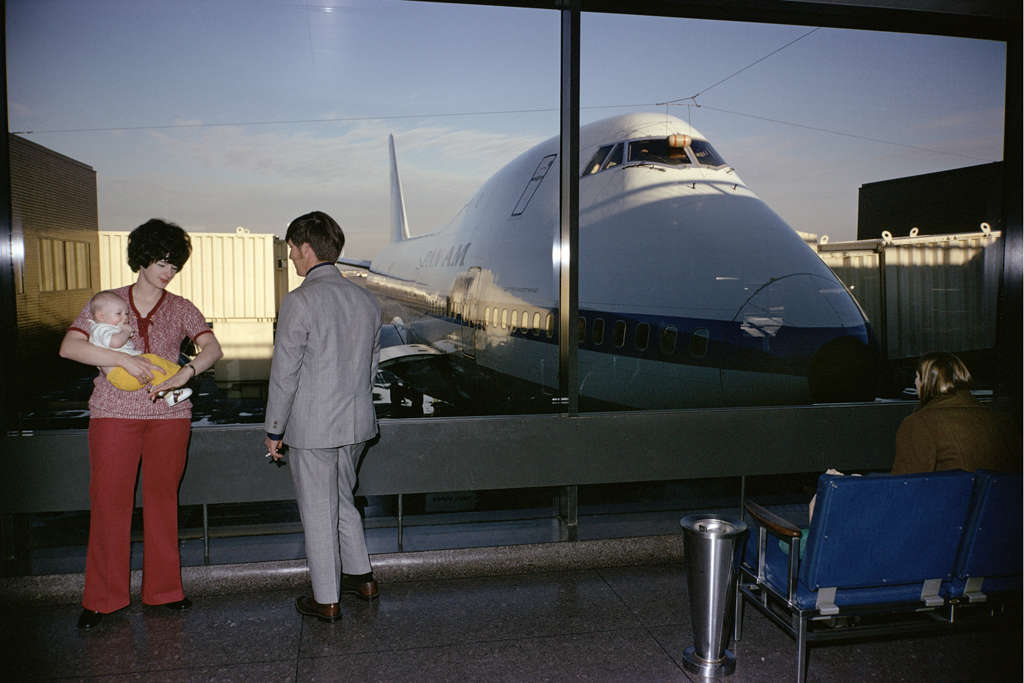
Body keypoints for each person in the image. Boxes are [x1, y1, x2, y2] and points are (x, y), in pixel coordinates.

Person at [59, 219, 223, 629]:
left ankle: (165, 591)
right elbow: (70, 346)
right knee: (109, 503)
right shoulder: (107, 301)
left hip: (169, 415)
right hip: (114, 414)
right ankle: (102, 599)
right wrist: (122, 359)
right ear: (143, 258)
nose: (168, 272)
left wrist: (187, 373)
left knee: (162, 502)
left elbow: (213, 347)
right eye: (162, 262)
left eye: (174, 265)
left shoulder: (182, 307)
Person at [264, 210, 382, 623]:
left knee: (318, 510)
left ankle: (326, 598)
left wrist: (274, 430)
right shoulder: (366, 300)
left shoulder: (300, 301)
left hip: (314, 428)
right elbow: (368, 368)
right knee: (342, 500)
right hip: (357, 424)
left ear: (307, 249)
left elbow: (284, 374)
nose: (292, 258)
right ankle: (362, 577)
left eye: (293, 250)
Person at [891, 351, 1019, 474]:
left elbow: (905, 485)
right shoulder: (1002, 420)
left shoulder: (917, 424)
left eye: (917, 377)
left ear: (927, 382)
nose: (915, 382)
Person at [87, 290, 192, 406]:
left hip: (125, 372)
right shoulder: (100, 329)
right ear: (100, 316)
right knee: (152, 360)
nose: (125, 318)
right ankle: (177, 377)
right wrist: (126, 331)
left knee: (153, 365)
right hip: (120, 374)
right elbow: (116, 342)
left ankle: (168, 393)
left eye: (126, 314)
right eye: (118, 314)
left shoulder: (109, 328)